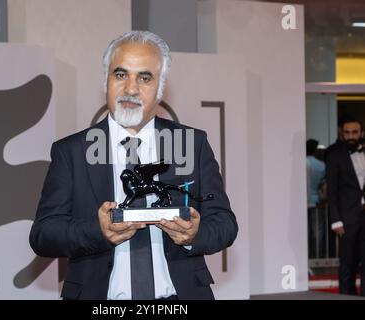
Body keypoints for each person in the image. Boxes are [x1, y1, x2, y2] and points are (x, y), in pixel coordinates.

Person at [29, 31, 238, 300]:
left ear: (161, 88)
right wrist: (97, 230)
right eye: (120, 74)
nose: (130, 88)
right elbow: (43, 234)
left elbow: (224, 224)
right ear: (106, 80)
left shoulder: (191, 143)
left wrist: (194, 234)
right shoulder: (72, 151)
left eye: (145, 77)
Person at [326, 116, 365, 296]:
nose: (351, 136)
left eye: (354, 132)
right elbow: (332, 190)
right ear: (342, 133)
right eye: (347, 132)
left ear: (361, 133)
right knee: (347, 265)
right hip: (347, 219)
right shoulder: (334, 155)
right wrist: (336, 220)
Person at [306, 139, 326, 259]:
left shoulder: (300, 162)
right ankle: (318, 256)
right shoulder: (321, 165)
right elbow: (323, 185)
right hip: (315, 201)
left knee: (304, 231)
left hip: (302, 202)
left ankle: (306, 255)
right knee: (318, 232)